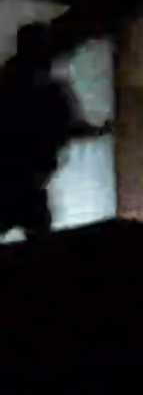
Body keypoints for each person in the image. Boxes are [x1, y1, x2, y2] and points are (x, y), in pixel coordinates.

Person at [0, 22, 99, 240]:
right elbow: (71, 127)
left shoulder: (11, 80)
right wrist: (97, 131)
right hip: (25, 181)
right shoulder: (49, 88)